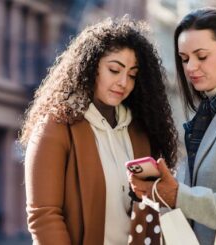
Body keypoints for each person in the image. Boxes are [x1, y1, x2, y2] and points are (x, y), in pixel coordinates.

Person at [19, 16, 178, 245]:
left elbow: (149, 209)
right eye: (114, 70)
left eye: (132, 75)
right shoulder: (56, 127)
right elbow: (44, 216)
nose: (123, 82)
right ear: (91, 66)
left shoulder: (141, 131)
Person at [129, 7, 216, 245]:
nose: (190, 67)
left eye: (201, 56)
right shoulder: (204, 114)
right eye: (184, 58)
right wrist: (159, 189)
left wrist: (179, 196)